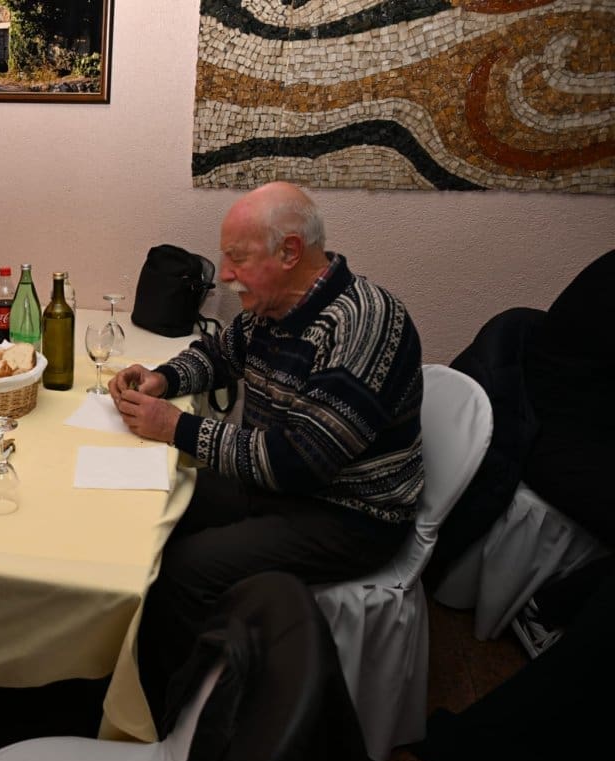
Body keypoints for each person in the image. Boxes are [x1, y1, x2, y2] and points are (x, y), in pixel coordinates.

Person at [110, 182, 424, 720]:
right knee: (154, 503)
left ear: (290, 252)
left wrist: (177, 427)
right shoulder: (274, 307)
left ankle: (177, 717)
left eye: (237, 258)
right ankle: (127, 667)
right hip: (282, 487)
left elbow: (298, 462)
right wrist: (164, 378)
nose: (225, 274)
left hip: (350, 514)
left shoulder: (363, 324)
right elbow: (219, 355)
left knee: (184, 570)